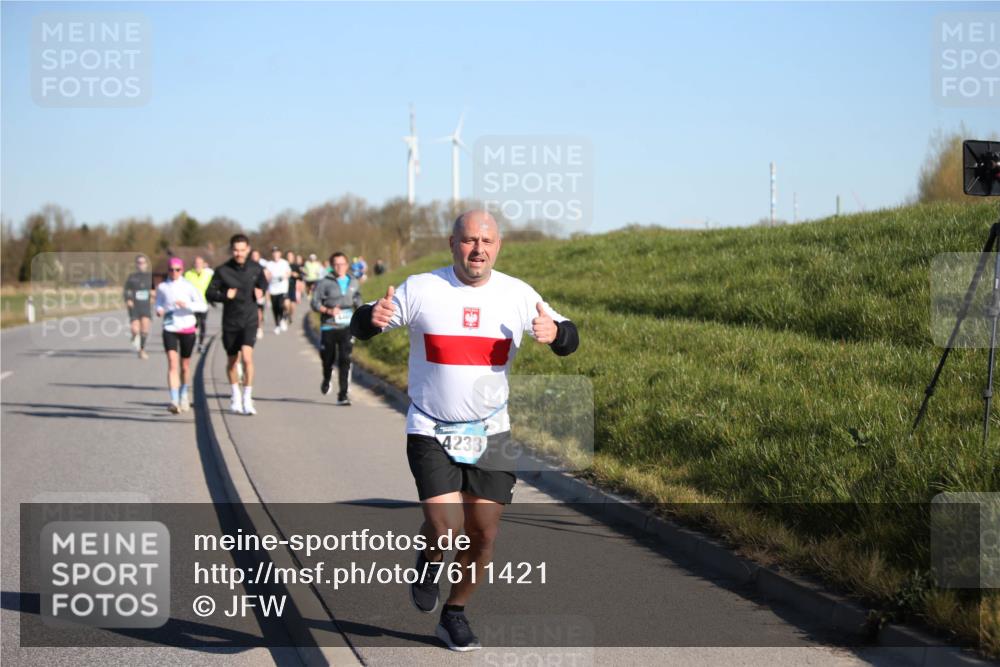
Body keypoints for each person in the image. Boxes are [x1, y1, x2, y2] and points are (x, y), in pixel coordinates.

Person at [350, 210, 579, 651]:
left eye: (487, 242)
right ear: (452, 243)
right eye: (469, 240)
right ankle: (431, 559)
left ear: (499, 246)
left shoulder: (517, 293)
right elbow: (365, 323)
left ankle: (453, 614)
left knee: (484, 535)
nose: (478, 250)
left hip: (492, 431)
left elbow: (568, 336)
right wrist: (369, 318)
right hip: (430, 427)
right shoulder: (422, 288)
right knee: (447, 527)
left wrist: (557, 334)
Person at [206, 234, 269, 415]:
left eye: (242, 250)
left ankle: (248, 398)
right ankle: (235, 393)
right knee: (232, 362)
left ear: (248, 249)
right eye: (236, 250)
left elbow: (263, 284)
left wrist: (260, 291)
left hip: (249, 319)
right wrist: (225, 296)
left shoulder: (256, 268)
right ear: (231, 250)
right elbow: (209, 293)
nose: (239, 253)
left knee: (248, 358)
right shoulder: (222, 270)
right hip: (231, 321)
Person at [155, 257, 207, 413]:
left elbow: (202, 306)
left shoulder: (189, 286)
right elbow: (159, 302)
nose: (174, 272)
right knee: (172, 363)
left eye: (177, 269)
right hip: (170, 327)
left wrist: (188, 305)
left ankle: (184, 393)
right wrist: (159, 309)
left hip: (187, 328)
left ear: (182, 270)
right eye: (171, 269)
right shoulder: (163, 287)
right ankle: (174, 400)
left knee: (184, 366)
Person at [311, 252, 361, 405]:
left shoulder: (353, 281)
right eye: (336, 264)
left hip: (347, 327)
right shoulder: (324, 283)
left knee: (345, 359)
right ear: (332, 266)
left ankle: (343, 394)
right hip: (329, 326)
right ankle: (327, 378)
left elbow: (357, 298)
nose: (340, 267)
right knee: (328, 358)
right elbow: (314, 303)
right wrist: (328, 310)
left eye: (343, 264)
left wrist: (361, 310)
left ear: (347, 265)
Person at [123, 255, 153, 359]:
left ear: (146, 264)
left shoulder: (150, 276)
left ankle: (141, 350)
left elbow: (156, 290)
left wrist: (154, 295)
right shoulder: (132, 277)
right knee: (135, 329)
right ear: (136, 264)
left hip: (146, 306)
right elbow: (126, 290)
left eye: (143, 262)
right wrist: (128, 299)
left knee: (144, 330)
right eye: (139, 262)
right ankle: (134, 336)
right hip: (135, 306)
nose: (141, 264)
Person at [183, 255, 214, 353]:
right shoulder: (188, 274)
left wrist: (212, 299)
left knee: (203, 324)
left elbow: (212, 288)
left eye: (200, 263)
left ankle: (200, 345)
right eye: (196, 263)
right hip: (191, 305)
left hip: (204, 304)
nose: (198, 265)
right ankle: (190, 343)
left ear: (203, 264)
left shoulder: (208, 275)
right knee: (193, 325)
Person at [263, 246, 291, 335]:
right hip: (272, 290)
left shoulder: (284, 263)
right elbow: (266, 274)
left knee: (282, 305)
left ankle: (283, 318)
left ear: (280, 254)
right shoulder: (269, 264)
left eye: (277, 252)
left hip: (283, 289)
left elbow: (288, 273)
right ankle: (277, 325)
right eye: (274, 253)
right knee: (275, 309)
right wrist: (268, 276)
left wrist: (283, 277)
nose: (275, 254)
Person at [250, 248, 266, 339]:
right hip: (248, 293)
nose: (255, 257)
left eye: (256, 256)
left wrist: (262, 290)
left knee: (259, 311)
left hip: (259, 293)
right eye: (253, 256)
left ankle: (259, 328)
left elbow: (265, 280)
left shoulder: (261, 267)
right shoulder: (247, 266)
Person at [285, 250, 303, 326]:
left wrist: (297, 275)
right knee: (286, 304)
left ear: (293, 257)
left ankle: (290, 315)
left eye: (291, 256)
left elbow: (301, 277)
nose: (290, 258)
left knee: (292, 306)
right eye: (288, 256)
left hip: (293, 287)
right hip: (284, 288)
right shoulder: (283, 265)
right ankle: (286, 313)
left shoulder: (296, 266)